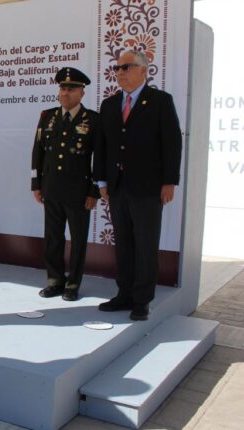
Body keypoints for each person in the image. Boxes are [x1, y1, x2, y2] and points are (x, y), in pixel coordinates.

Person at [95, 50, 182, 321]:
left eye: (126, 67)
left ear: (144, 70)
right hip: (118, 187)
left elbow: (171, 144)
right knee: (124, 244)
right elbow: (102, 146)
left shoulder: (160, 101)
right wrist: (101, 180)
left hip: (148, 188)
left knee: (145, 245)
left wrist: (169, 181)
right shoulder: (109, 105)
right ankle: (124, 294)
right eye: (116, 67)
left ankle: (142, 300)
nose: (119, 72)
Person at [31, 67, 100, 301]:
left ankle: (73, 284)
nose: (66, 92)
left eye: (71, 89)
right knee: (53, 237)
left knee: (78, 239)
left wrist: (94, 191)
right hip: (51, 188)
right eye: (62, 88)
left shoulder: (92, 120)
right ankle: (54, 280)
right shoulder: (47, 116)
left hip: (78, 191)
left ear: (82, 92)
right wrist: (36, 184)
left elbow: (98, 158)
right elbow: (37, 153)